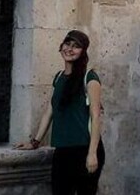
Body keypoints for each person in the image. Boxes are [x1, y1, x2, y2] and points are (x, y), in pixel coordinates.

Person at [16, 30, 104, 195]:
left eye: (76, 46)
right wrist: (35, 142)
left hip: (85, 149)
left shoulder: (90, 78)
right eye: (67, 44)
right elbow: (49, 112)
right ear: (61, 46)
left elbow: (96, 116)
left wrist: (92, 154)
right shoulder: (58, 77)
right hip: (63, 150)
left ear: (83, 51)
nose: (70, 49)